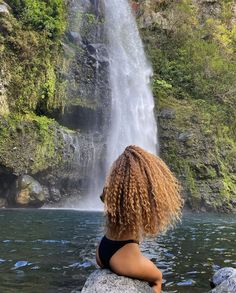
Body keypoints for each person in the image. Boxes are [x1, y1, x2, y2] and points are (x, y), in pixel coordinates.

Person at [96, 145, 183, 293]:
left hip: (102, 250)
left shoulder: (114, 194)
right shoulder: (138, 199)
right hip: (123, 256)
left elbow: (103, 197)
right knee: (157, 278)